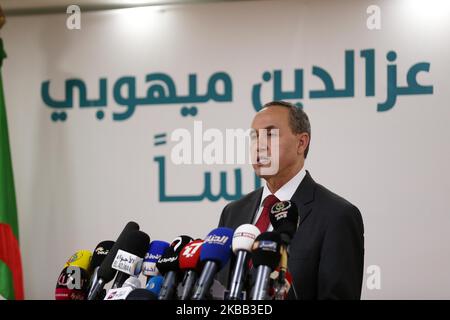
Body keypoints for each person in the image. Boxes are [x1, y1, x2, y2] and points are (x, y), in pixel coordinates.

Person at [218, 101, 365, 300]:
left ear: (301, 143)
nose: (259, 145)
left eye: (270, 134)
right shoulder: (233, 212)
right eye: (254, 136)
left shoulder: (337, 215)